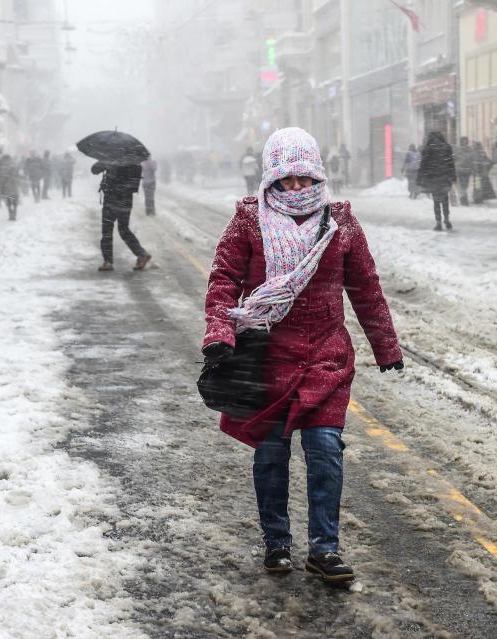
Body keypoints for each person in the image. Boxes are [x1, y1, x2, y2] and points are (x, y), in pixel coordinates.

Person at [202, 127, 403, 584]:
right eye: (286, 180)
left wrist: (386, 346)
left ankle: (324, 550)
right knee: (271, 454)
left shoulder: (341, 224)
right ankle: (277, 543)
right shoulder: (247, 222)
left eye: (305, 179)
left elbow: (366, 291)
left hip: (326, 355)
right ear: (271, 179)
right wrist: (219, 333)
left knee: (325, 449)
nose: (297, 188)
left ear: (318, 176)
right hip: (267, 355)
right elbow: (222, 283)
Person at [92, 160, 151, 272]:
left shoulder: (110, 158)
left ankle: (108, 261)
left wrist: (104, 163)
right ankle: (141, 254)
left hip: (111, 199)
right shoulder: (133, 160)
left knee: (107, 231)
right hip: (125, 200)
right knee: (123, 229)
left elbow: (94, 170)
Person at [417, 131, 457, 231]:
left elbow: (423, 164)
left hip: (433, 178)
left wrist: (420, 177)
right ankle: (447, 219)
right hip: (445, 177)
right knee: (445, 199)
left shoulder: (429, 148)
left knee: (436, 201)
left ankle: (438, 222)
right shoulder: (447, 147)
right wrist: (453, 176)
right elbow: (451, 163)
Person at [0, 154, 21, 221]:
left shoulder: (3, 167)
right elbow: (19, 175)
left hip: (7, 186)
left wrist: (1, 185)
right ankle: (14, 214)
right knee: (15, 200)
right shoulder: (15, 165)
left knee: (8, 201)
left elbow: (2, 177)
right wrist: (18, 182)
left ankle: (10, 214)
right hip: (14, 185)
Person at [454, 137, 474, 206]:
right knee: (462, 185)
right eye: (463, 141)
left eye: (466, 141)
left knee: (465, 185)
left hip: (467, 170)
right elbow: (454, 158)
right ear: (461, 142)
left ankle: (463, 197)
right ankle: (464, 198)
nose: (465, 143)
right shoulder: (458, 150)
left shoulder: (470, 150)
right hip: (459, 170)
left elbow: (472, 159)